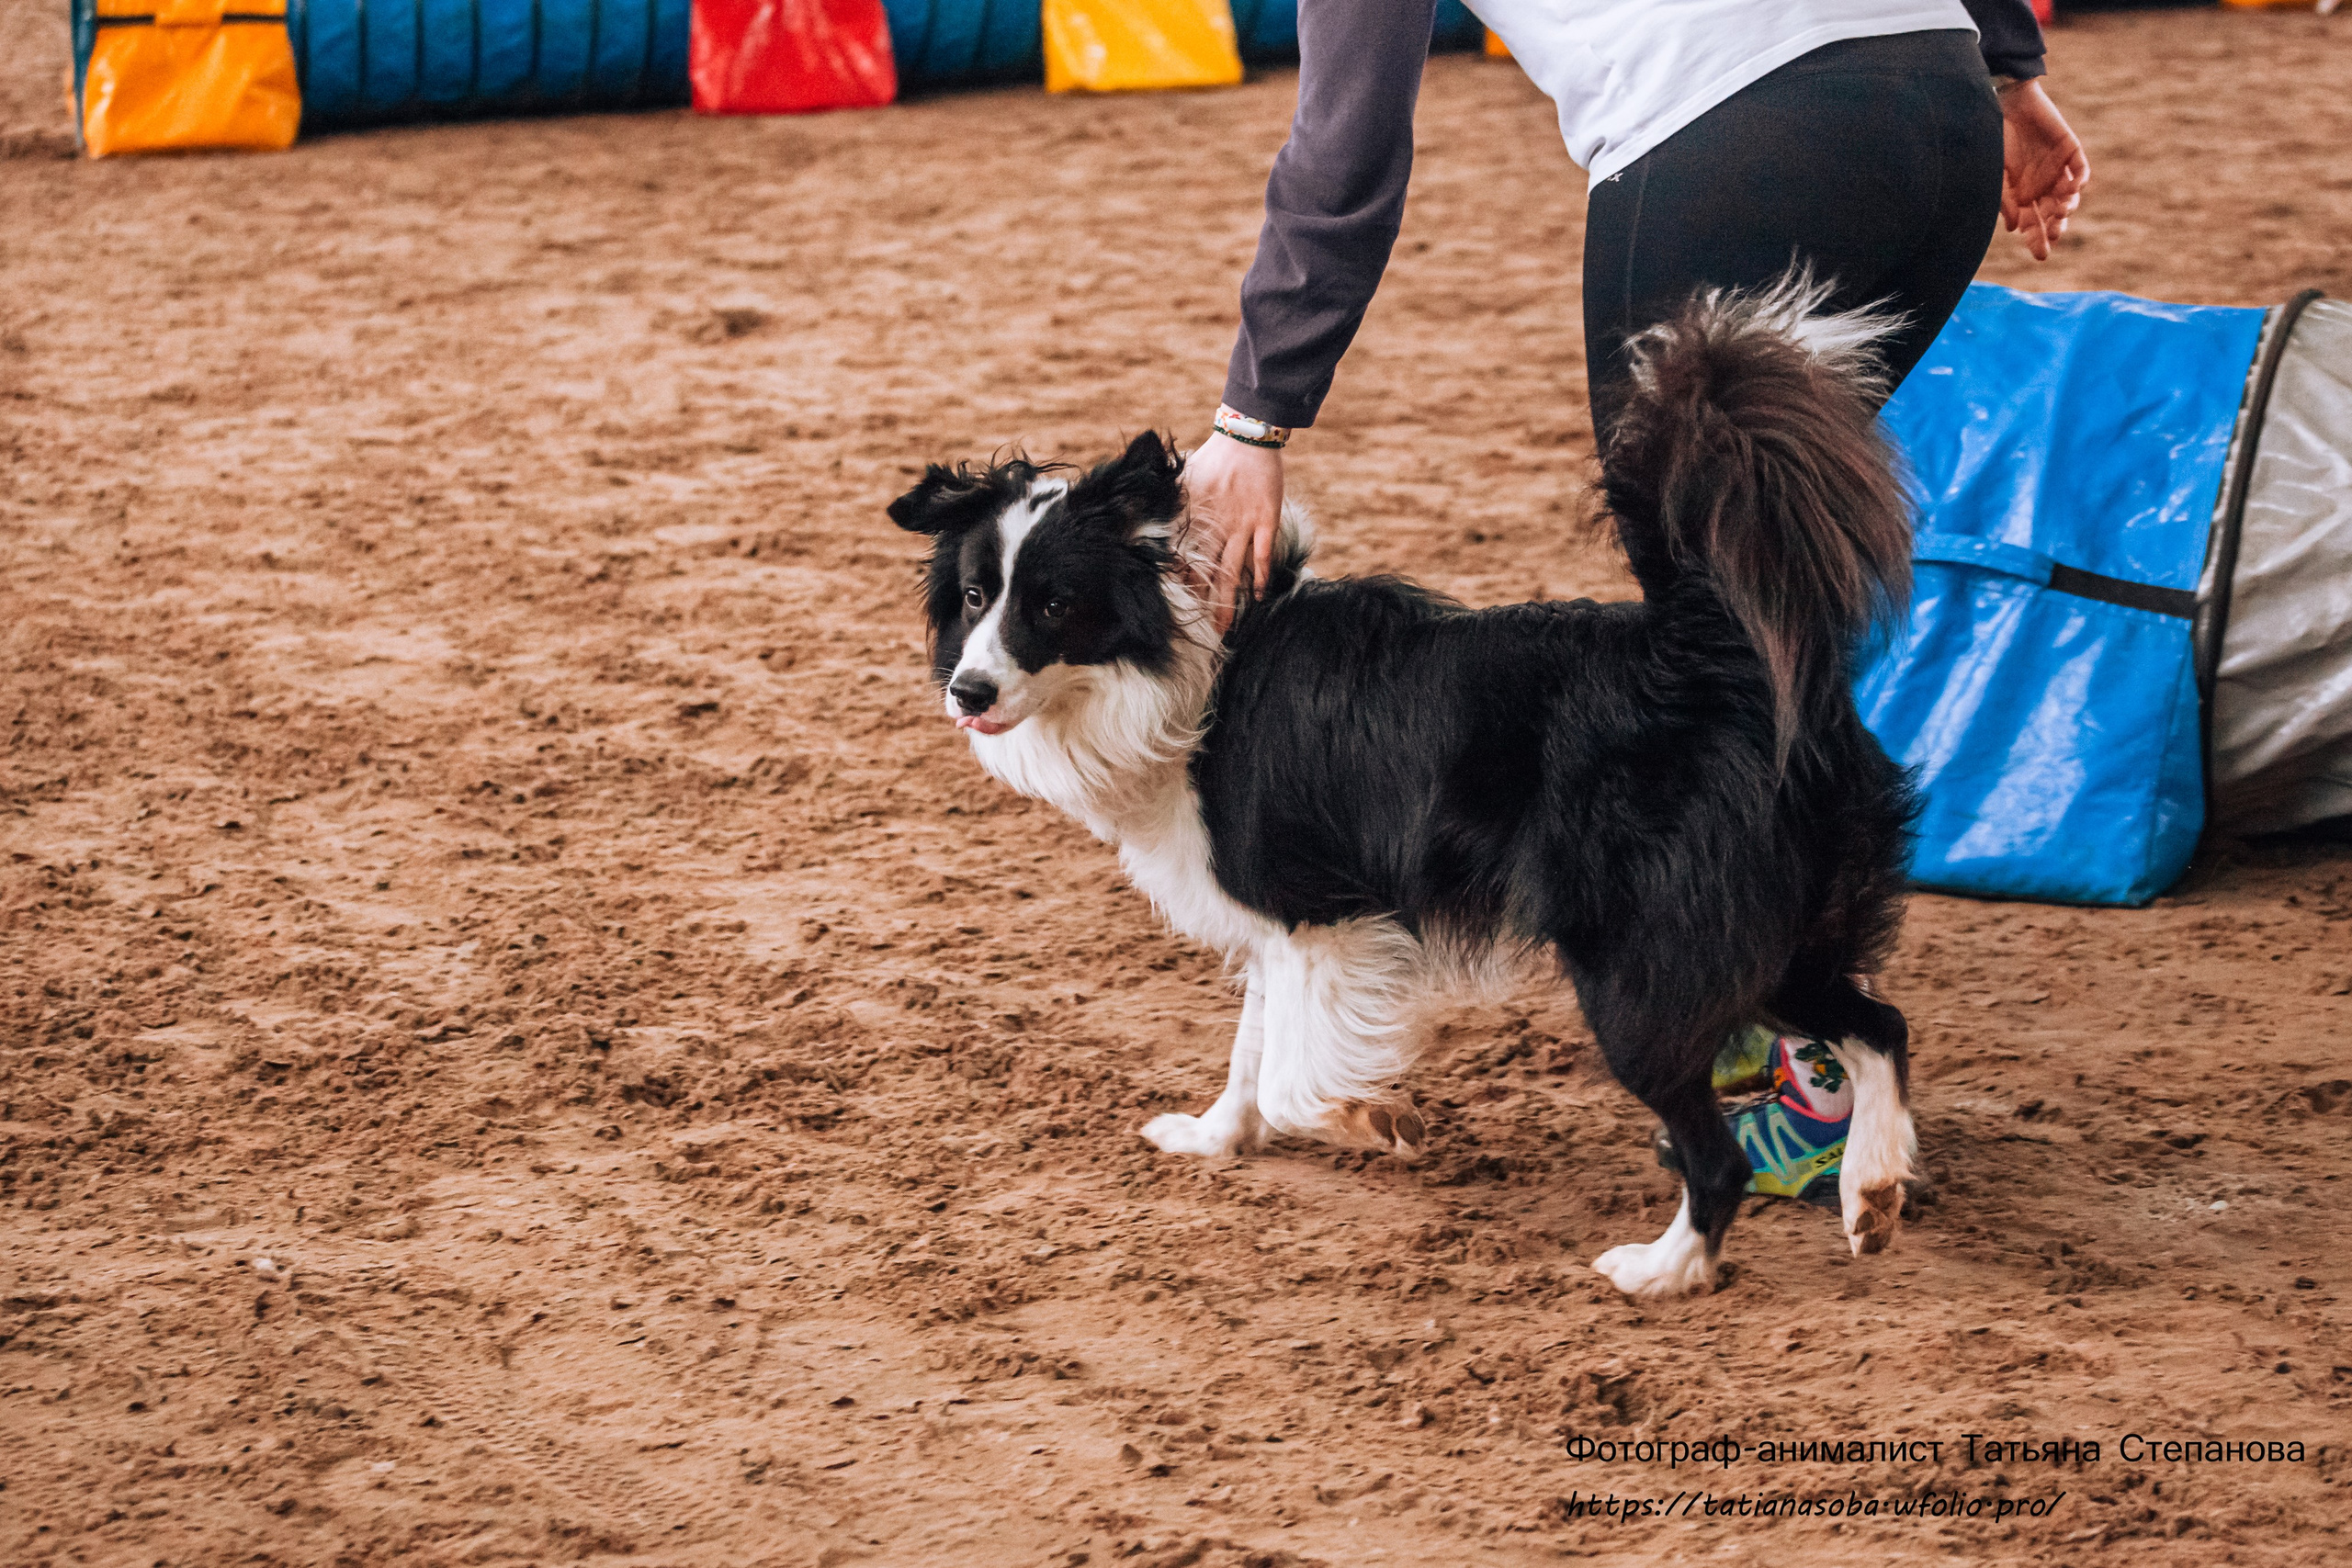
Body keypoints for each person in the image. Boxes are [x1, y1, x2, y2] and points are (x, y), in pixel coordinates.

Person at [1184, 0, 2089, 616]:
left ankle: (1760, 888)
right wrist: (2009, 72)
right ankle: (1821, 866)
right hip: (1941, 96)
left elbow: (1347, 150)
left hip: (1737, 129)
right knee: (1769, 554)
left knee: (1699, 587)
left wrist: (1251, 423)